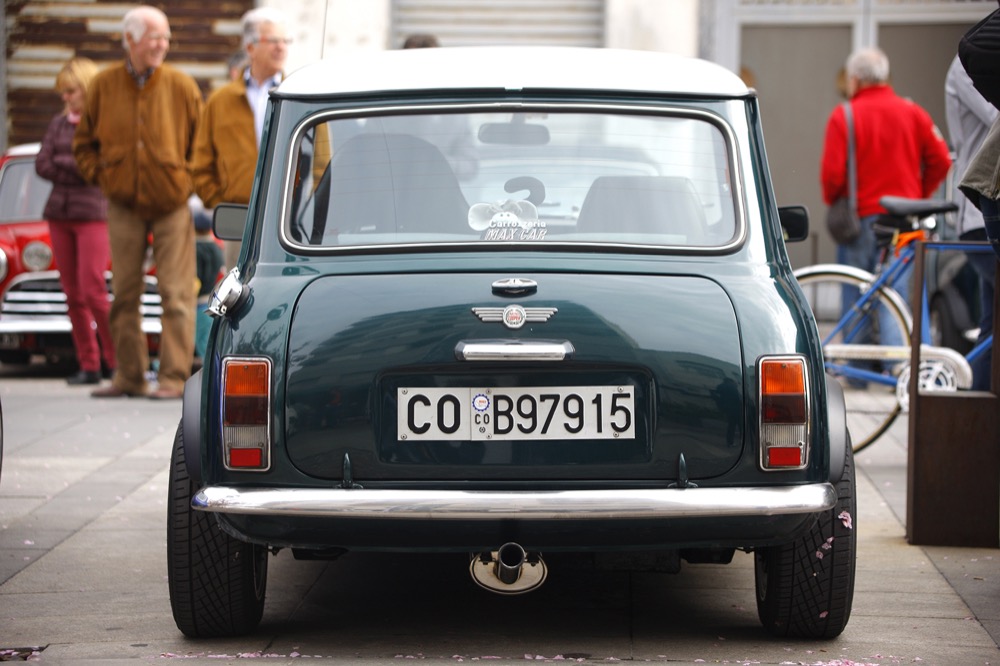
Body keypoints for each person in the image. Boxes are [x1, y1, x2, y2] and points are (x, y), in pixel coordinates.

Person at [73, 5, 203, 400]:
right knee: (124, 293)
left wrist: (184, 181)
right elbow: (83, 145)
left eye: (166, 38)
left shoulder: (182, 86)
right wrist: (105, 177)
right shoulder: (103, 86)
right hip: (123, 205)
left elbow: (200, 146)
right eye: (154, 38)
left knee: (177, 295)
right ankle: (128, 377)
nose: (162, 45)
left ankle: (173, 378)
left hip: (172, 206)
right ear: (129, 40)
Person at [819, 48, 952, 372]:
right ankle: (905, 369)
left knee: (857, 292)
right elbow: (941, 160)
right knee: (900, 293)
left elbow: (832, 177)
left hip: (860, 221)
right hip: (903, 222)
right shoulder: (913, 112)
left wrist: (839, 197)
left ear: (855, 79)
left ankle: (858, 371)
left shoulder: (845, 115)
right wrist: (918, 195)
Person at [34, 56, 115, 386]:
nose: (65, 97)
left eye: (70, 91)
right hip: (59, 215)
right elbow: (42, 164)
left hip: (92, 216)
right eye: (62, 92)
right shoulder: (57, 124)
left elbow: (96, 168)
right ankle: (89, 364)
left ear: (86, 89)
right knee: (72, 294)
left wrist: (65, 164)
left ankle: (117, 361)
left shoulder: (103, 122)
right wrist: (77, 165)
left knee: (93, 290)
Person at [191, 6, 290, 272]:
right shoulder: (221, 101)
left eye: (285, 40)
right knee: (239, 286)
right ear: (250, 47)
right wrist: (220, 203)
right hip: (238, 221)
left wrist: (308, 207)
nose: (281, 47)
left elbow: (320, 160)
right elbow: (201, 163)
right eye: (273, 40)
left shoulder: (299, 92)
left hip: (291, 222)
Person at [945, 54, 997, 391]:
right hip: (982, 211)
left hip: (983, 208)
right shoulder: (971, 61)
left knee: (992, 323)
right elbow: (995, 115)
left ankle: (977, 403)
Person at [193, 208, 224, 366]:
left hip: (197, 303)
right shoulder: (217, 248)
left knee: (202, 345)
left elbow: (195, 279)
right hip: (212, 302)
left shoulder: (195, 249)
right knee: (209, 344)